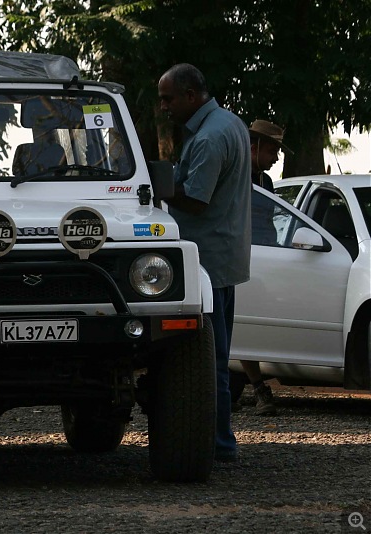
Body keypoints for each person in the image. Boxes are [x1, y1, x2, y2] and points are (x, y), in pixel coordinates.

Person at [158, 63, 252, 463]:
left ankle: (218, 443)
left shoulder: (211, 137)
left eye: (168, 99)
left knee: (208, 361)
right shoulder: (228, 123)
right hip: (222, 255)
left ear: (191, 96)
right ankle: (218, 439)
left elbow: (197, 198)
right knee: (215, 356)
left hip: (208, 258)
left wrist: (159, 185)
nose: (163, 107)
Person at [238, 119, 294, 416]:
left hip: (265, 257)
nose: (276, 158)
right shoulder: (236, 176)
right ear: (254, 147)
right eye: (273, 150)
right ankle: (259, 388)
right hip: (241, 257)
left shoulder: (266, 182)